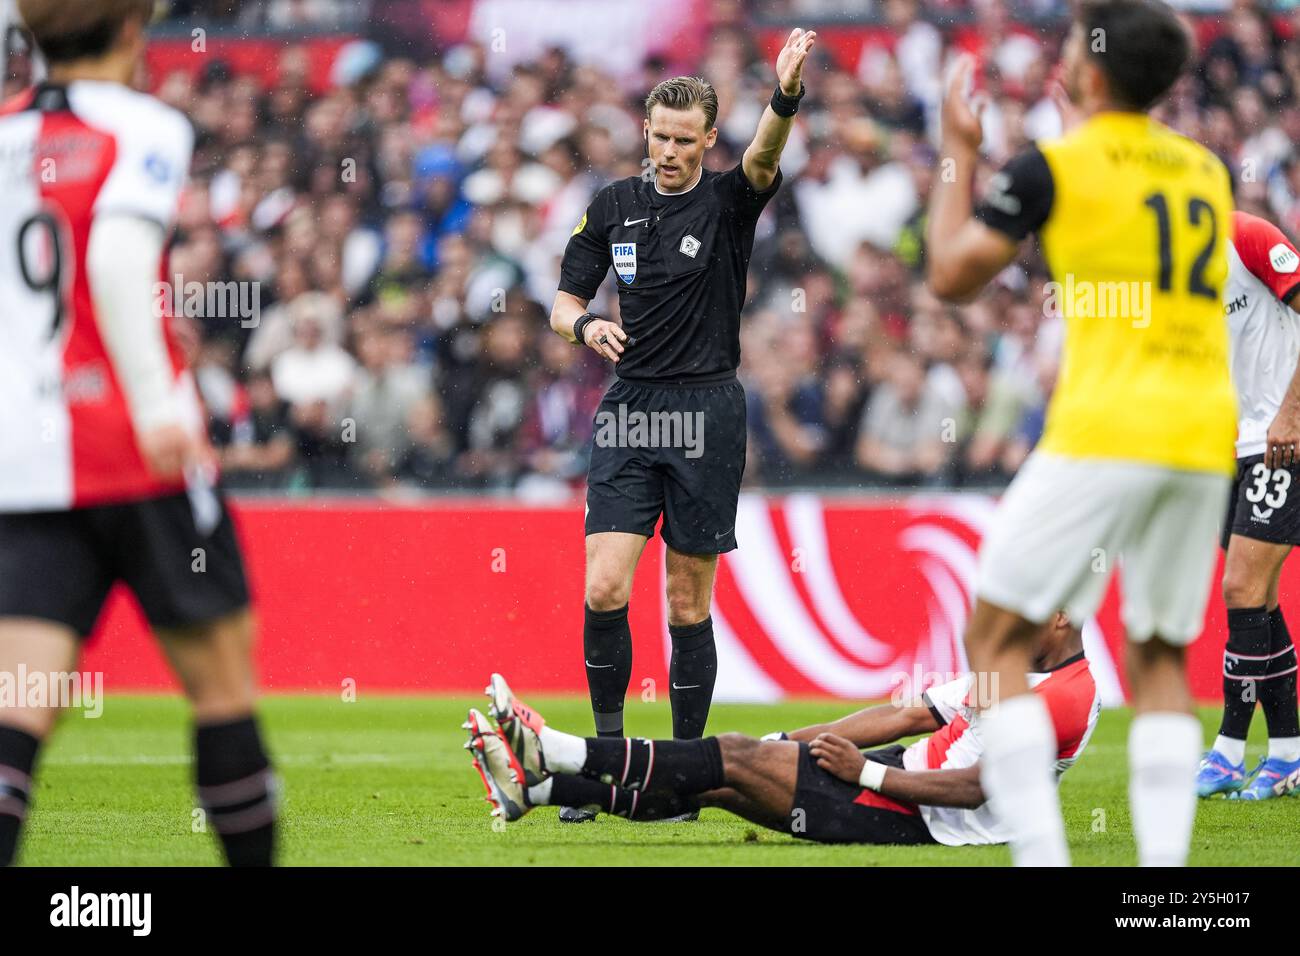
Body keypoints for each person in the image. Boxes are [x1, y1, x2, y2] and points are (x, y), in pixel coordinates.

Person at [925, 0, 1236, 866]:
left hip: (1105, 428)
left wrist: (959, 150)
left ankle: (1044, 858)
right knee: (1162, 655)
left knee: (995, 641)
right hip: (1201, 434)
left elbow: (951, 275)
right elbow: (1121, 219)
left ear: (1089, 70)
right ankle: (1164, 882)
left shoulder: (1050, 168)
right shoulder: (1205, 170)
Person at [0, 0, 276, 865]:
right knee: (222, 689)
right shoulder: (140, 123)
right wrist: (156, 395)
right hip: (138, 454)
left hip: (28, 462)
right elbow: (117, 261)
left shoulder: (4, 135)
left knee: (19, 705)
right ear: (132, 31)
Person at [546, 29, 816, 821]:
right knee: (602, 586)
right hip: (631, 410)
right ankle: (604, 765)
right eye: (658, 136)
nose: (667, 151)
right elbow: (564, 301)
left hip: (705, 410)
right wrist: (584, 328)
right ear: (646, 132)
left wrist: (786, 95)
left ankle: (687, 776)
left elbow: (765, 157)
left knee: (687, 605)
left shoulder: (730, 200)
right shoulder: (613, 207)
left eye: (682, 140)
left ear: (707, 138)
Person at [464, 614, 1099, 847]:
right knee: (717, 780)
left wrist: (866, 772)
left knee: (730, 758)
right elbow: (907, 716)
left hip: (920, 814)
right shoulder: (1018, 671)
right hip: (901, 772)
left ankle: (551, 748)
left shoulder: (1062, 701)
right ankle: (541, 792)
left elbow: (977, 789)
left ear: (1064, 619)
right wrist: (791, 742)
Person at [1197, 211, 1300, 800]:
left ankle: (1229, 752)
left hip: (1278, 438)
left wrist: (1291, 413)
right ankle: (1286, 754)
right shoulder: (1171, 269)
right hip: (1229, 448)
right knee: (1259, 597)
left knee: (1241, 588)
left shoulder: (1248, 237)